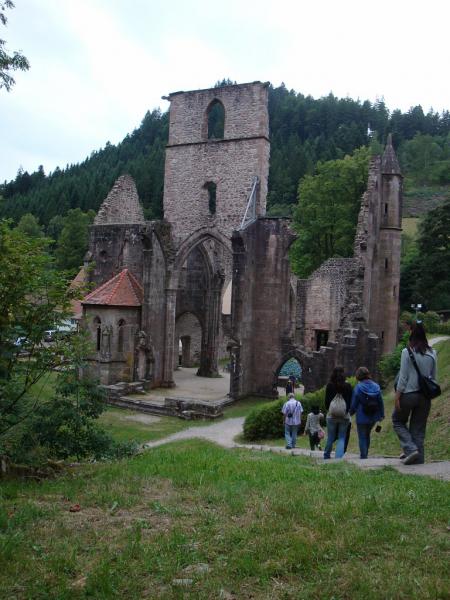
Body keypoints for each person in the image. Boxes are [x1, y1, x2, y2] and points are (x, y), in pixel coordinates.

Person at [392, 322, 437, 465]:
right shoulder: (433, 353)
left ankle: (410, 450)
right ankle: (419, 462)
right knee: (418, 429)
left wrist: (397, 397)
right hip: (425, 397)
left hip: (408, 394)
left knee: (397, 421)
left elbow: (403, 377)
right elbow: (433, 377)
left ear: (412, 335)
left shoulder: (407, 352)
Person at [350, 367, 384, 459]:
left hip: (361, 416)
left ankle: (363, 456)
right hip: (373, 416)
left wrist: (350, 413)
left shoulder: (358, 387)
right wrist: (382, 414)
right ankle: (366, 454)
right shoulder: (376, 386)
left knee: (362, 436)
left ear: (358, 376)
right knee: (367, 434)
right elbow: (380, 401)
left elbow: (354, 404)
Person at [323, 366, 353, 459]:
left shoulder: (330, 385)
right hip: (344, 416)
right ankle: (338, 457)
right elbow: (350, 401)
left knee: (331, 437)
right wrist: (346, 410)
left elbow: (326, 402)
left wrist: (330, 410)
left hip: (331, 416)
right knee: (342, 437)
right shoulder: (348, 386)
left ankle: (326, 455)